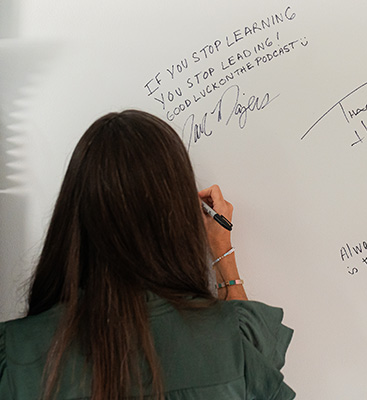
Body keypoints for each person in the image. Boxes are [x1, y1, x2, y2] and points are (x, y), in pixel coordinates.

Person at [0, 110, 295, 400]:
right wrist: (222, 254)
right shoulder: (232, 341)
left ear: (73, 214)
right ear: (177, 215)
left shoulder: (15, 354)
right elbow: (257, 373)